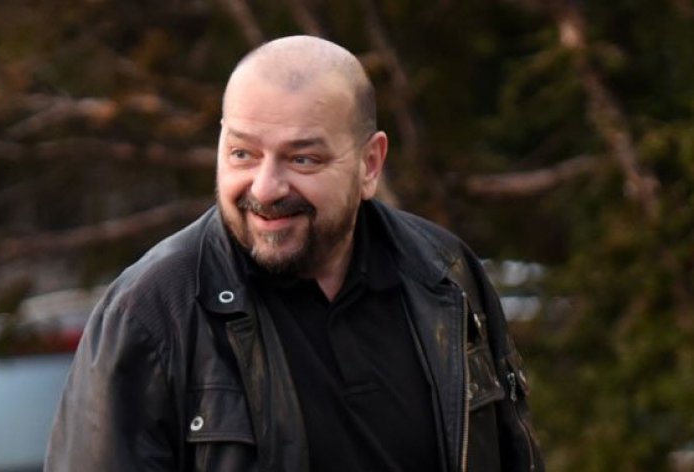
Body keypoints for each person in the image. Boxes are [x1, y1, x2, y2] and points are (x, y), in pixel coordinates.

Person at [45, 35, 544, 472]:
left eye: (302, 159)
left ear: (370, 164)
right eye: (243, 154)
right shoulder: (153, 312)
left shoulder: (445, 277)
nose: (266, 188)